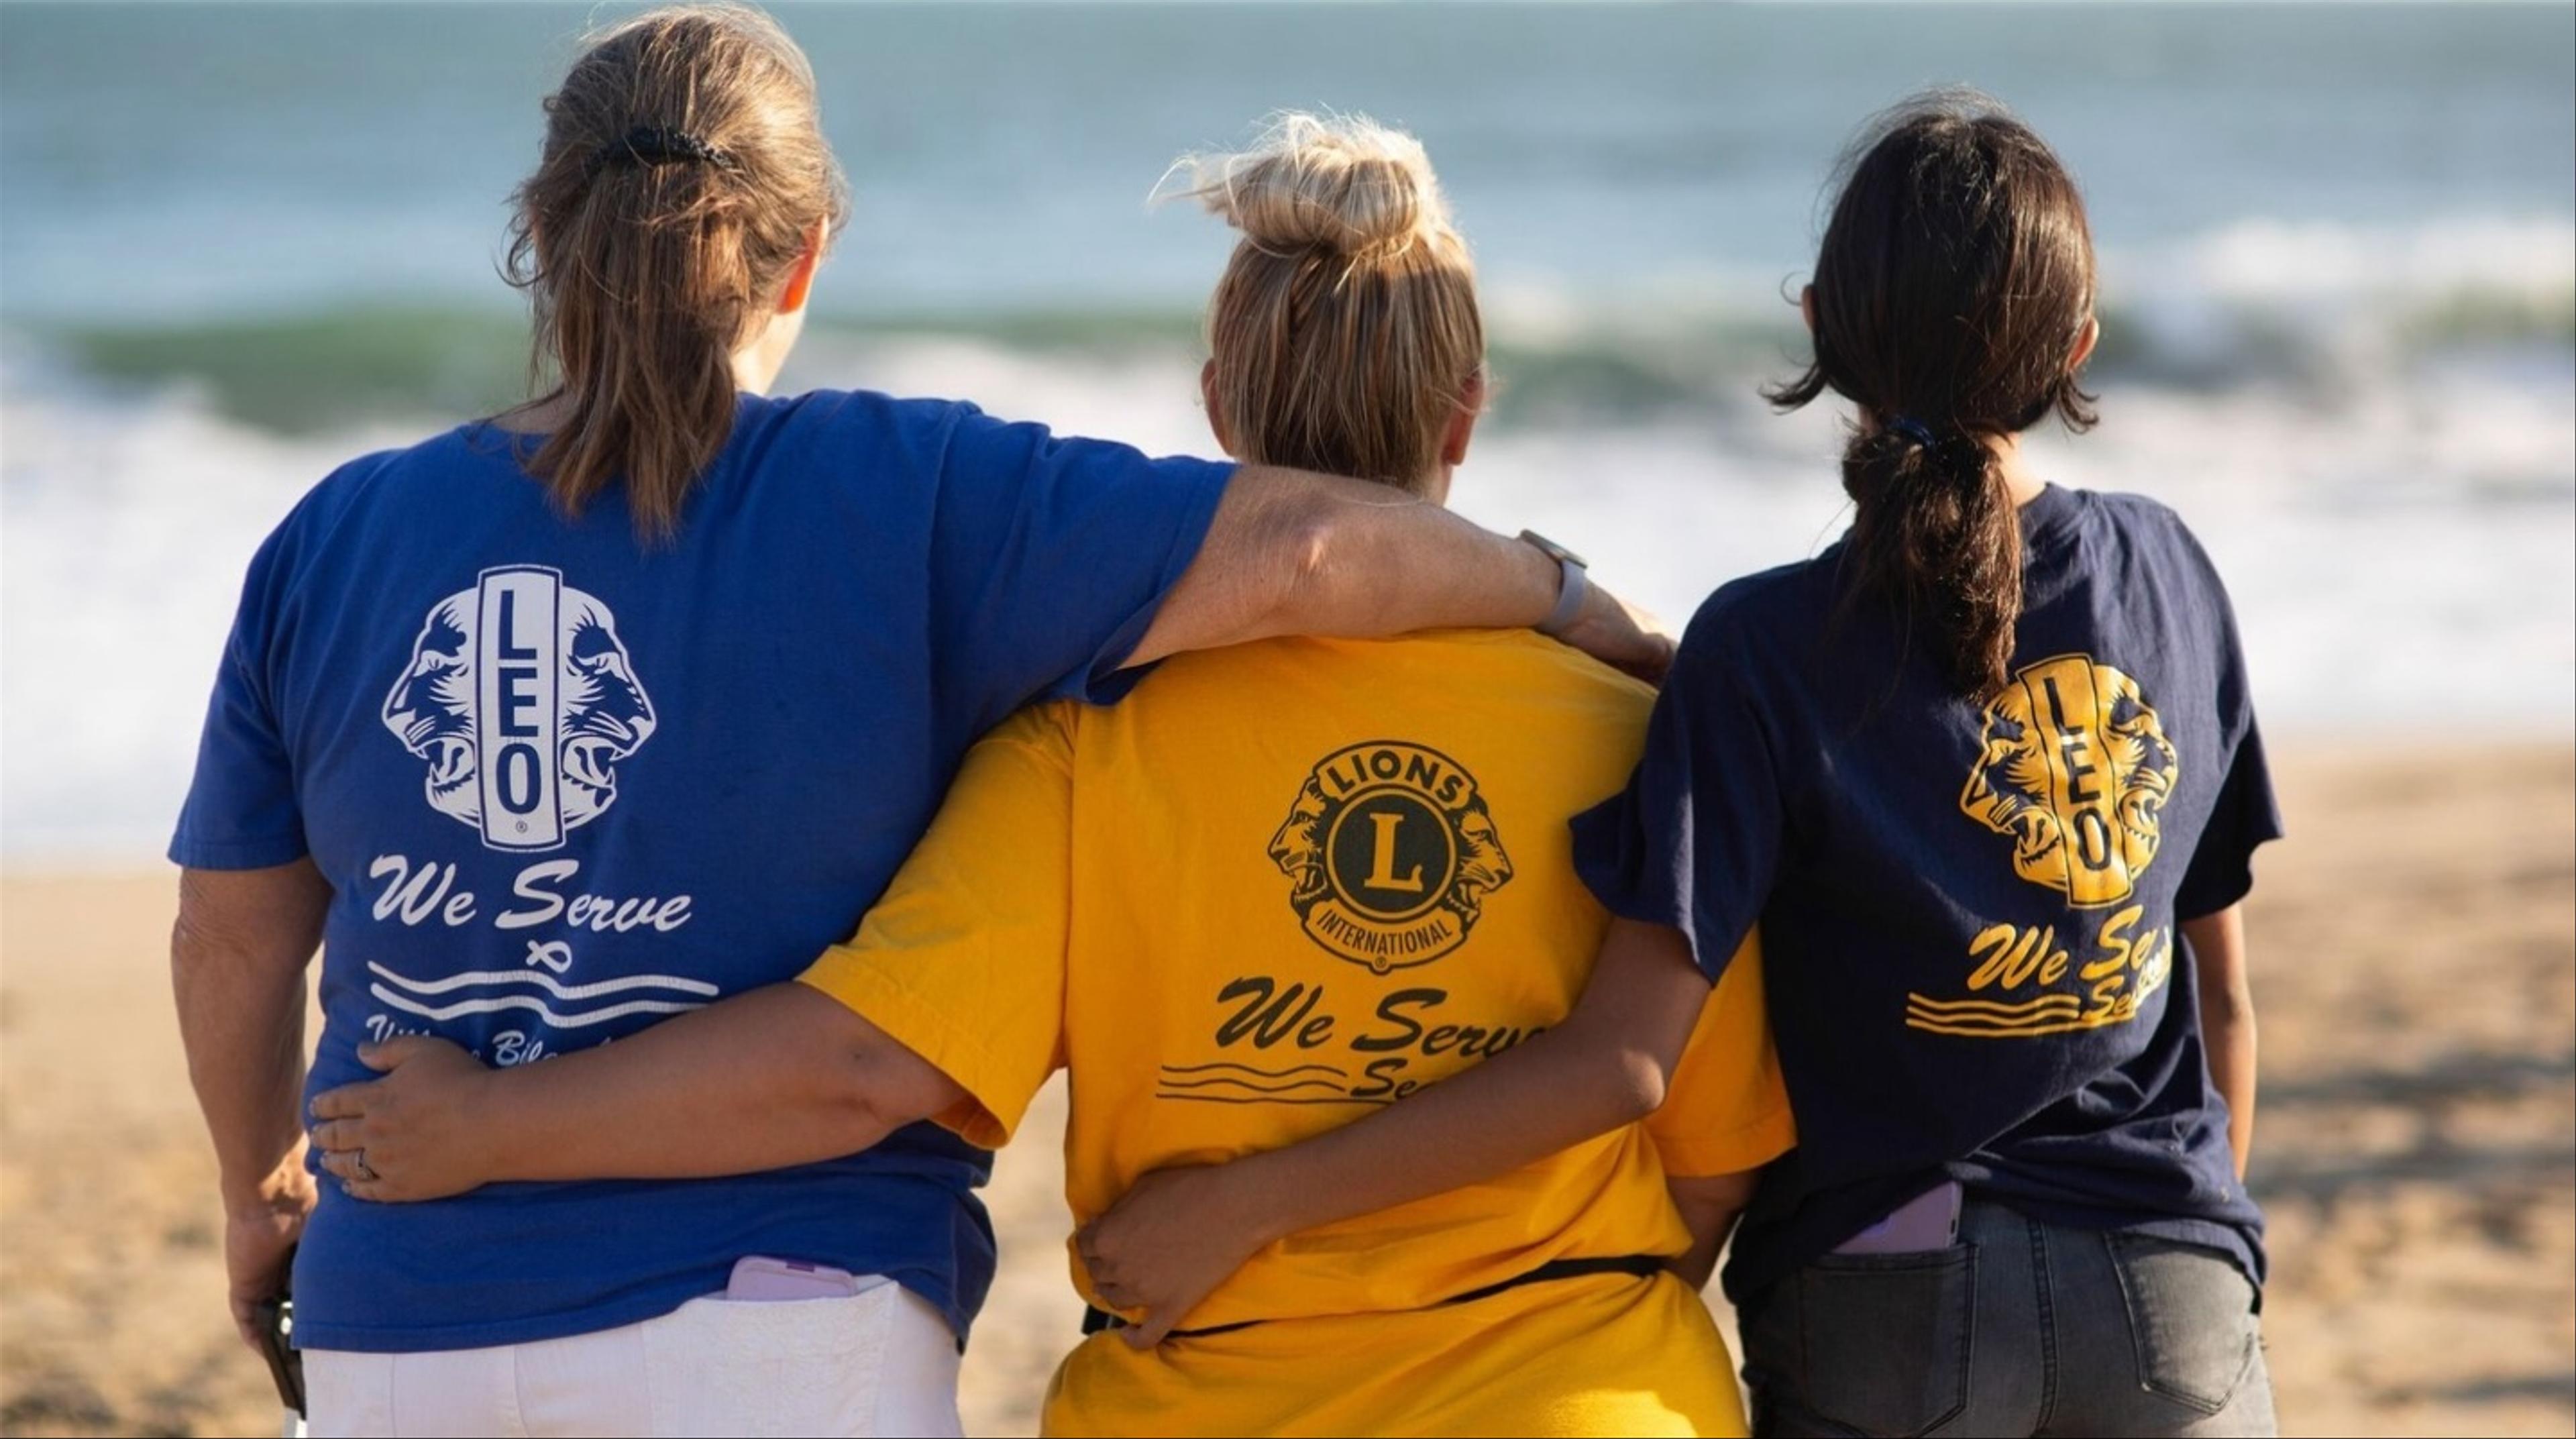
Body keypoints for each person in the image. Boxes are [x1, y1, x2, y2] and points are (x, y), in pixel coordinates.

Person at [168, 11, 1668, 1436]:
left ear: (543, 237)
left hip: (400, 1323)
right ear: (806, 253)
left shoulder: (338, 533)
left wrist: (263, 1196)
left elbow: (235, 939)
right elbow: (1310, 554)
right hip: (780, 1316)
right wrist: (1571, 599)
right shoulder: (909, 495)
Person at [1073, 92, 2281, 1439]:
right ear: (2076, 345)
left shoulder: (1762, 648)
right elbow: (2218, 995)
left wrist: (1250, 1201)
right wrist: (2206, 1260)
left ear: (1820, 322)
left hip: (1890, 1299)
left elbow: (1625, 1063)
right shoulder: (2173, 570)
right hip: (2170, 1287)